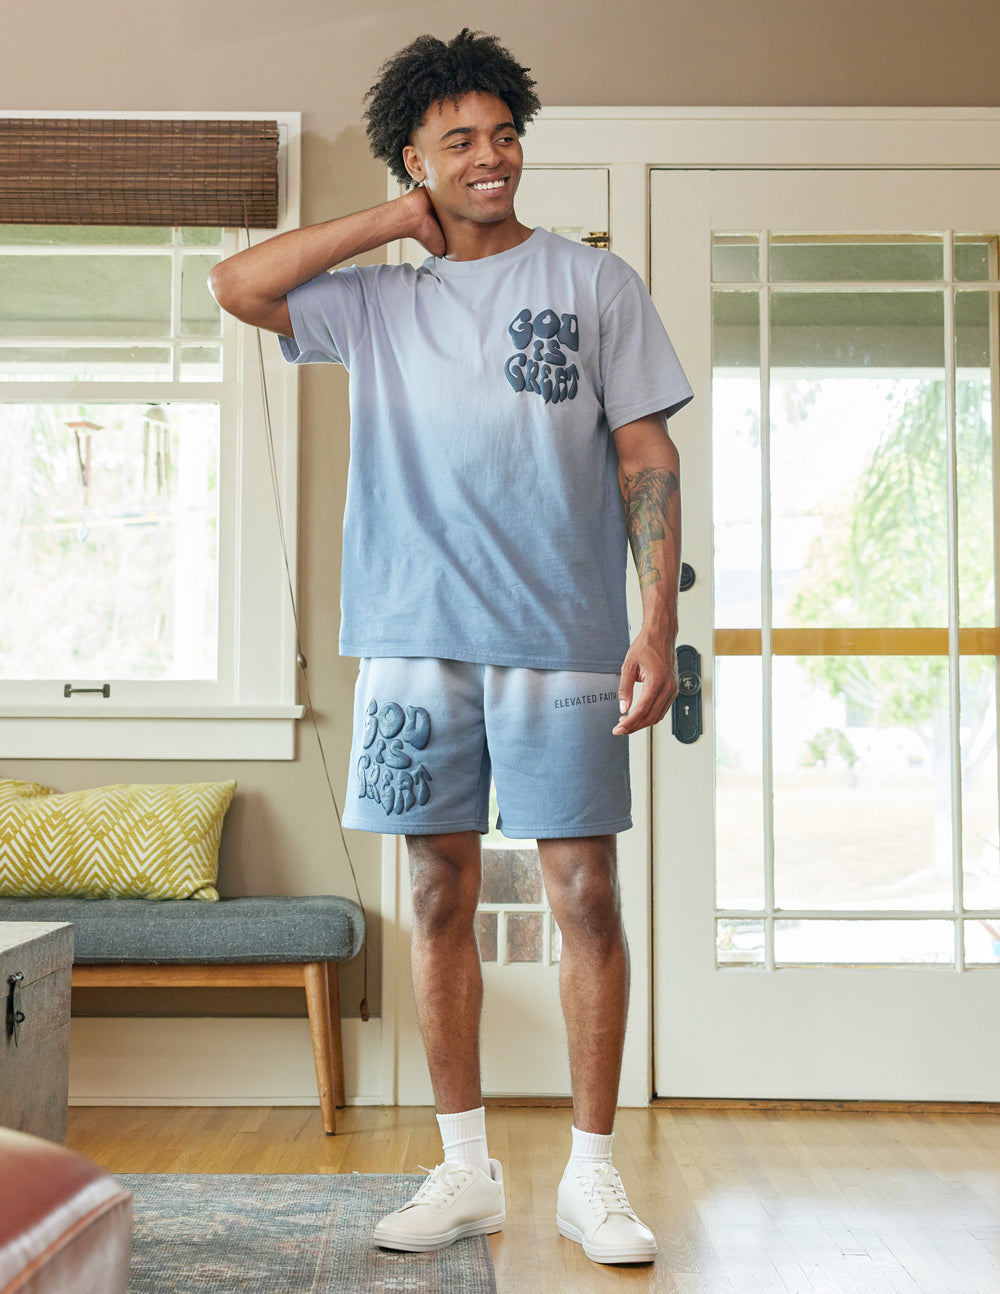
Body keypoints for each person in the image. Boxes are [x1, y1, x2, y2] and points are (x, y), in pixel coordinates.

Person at [209, 28, 692, 1267]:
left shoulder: (595, 286)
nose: (493, 157)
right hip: (415, 641)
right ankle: (465, 1170)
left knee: (585, 893)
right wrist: (388, 223)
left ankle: (591, 1177)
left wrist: (657, 625)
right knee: (435, 893)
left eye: (504, 133)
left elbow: (646, 455)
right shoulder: (374, 302)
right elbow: (238, 284)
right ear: (415, 158)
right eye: (460, 140)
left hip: (565, 638)